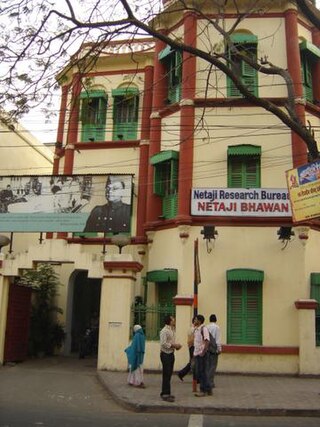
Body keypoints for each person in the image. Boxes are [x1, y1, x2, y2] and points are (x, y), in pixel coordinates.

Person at [159, 315, 182, 402]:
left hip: (171, 353)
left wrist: (176, 346)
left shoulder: (172, 330)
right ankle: (165, 394)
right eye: (173, 320)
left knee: (169, 373)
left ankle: (167, 392)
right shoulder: (164, 331)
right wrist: (174, 345)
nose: (174, 321)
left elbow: (170, 342)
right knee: (166, 373)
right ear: (169, 321)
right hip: (165, 354)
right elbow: (163, 343)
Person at [193, 314, 212, 397]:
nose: (194, 321)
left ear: (199, 321)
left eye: (196, 319)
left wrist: (203, 352)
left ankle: (203, 390)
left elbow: (207, 341)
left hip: (202, 354)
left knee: (202, 372)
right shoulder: (197, 329)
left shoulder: (204, 329)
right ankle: (208, 389)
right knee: (200, 372)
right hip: (197, 353)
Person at [177, 316, 196, 381]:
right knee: (193, 362)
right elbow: (191, 339)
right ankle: (182, 373)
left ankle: (181, 373)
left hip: (192, 347)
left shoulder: (192, 328)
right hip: (193, 347)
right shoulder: (193, 329)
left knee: (192, 362)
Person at [206, 314, 222, 389]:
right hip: (214, 348)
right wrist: (219, 349)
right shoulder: (217, 327)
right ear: (216, 319)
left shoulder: (206, 327)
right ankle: (210, 382)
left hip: (207, 348)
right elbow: (217, 339)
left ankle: (206, 381)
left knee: (208, 366)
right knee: (213, 366)